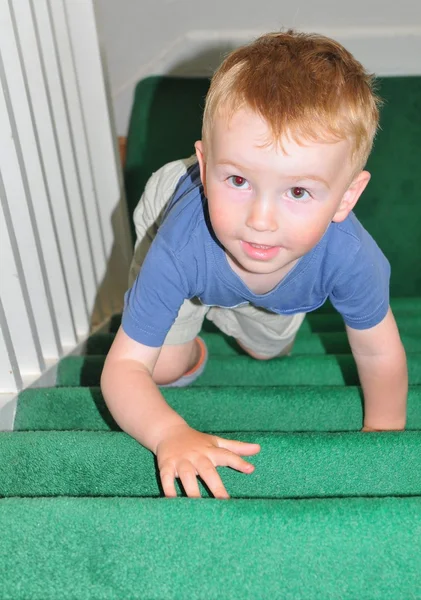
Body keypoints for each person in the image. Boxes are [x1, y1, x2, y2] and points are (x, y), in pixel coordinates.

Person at [101, 30, 408, 499]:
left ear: (346, 197)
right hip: (181, 235)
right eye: (239, 179)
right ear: (205, 170)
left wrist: (383, 439)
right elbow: (121, 370)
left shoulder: (351, 256)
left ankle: (228, 301)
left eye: (298, 191)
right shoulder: (179, 243)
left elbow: (379, 353)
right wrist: (169, 434)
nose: (260, 221)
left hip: (258, 277)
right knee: (160, 368)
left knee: (267, 351)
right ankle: (195, 330)